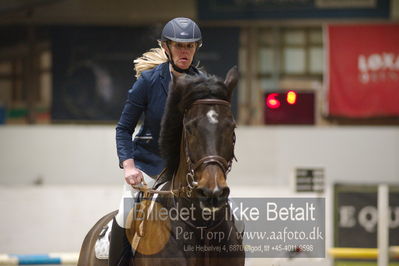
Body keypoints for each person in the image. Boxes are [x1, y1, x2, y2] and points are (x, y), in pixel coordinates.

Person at [109, 17, 203, 266]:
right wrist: (129, 167)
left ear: (196, 49)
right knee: (124, 216)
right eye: (179, 46)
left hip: (190, 172)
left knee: (235, 218)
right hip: (148, 168)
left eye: (190, 46)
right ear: (166, 47)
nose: (185, 52)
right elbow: (123, 128)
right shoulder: (148, 81)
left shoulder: (202, 83)